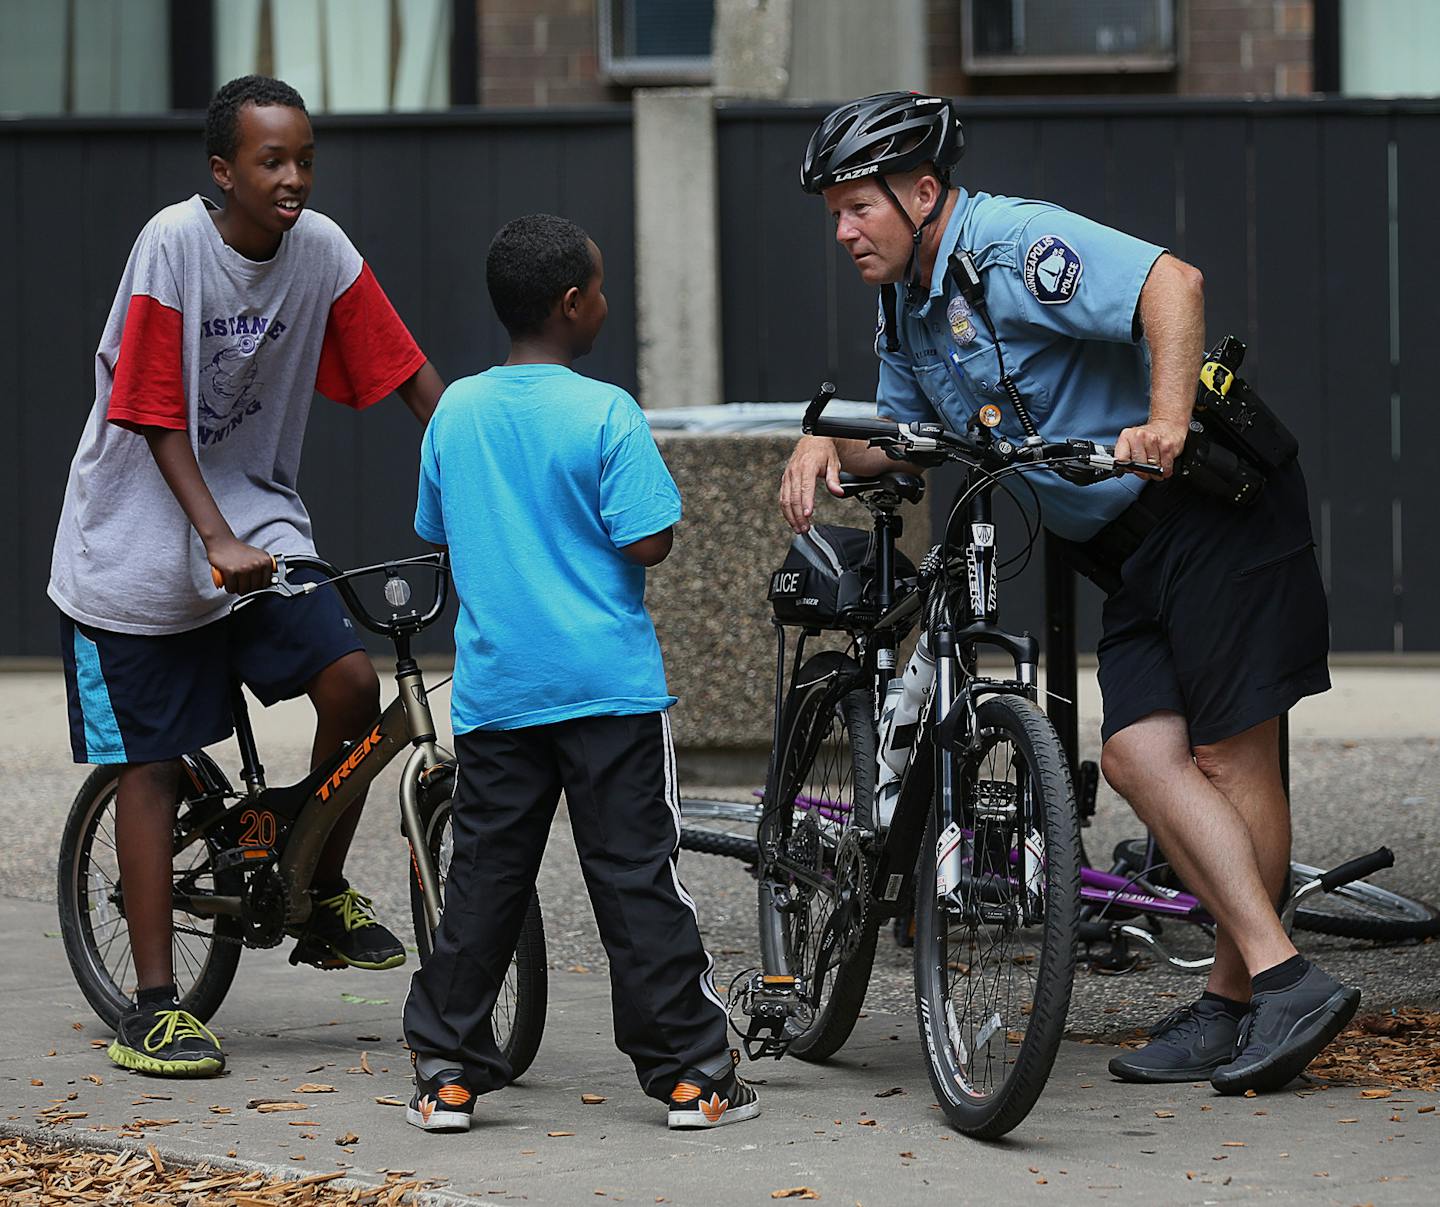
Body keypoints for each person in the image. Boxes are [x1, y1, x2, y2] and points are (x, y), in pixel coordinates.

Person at [779, 92, 1358, 1096]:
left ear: (923, 192)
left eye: (858, 207)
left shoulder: (1012, 247)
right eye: (832, 212)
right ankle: (1267, 987)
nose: (841, 231)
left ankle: (1254, 991)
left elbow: (1172, 285)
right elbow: (901, 433)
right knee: (1139, 755)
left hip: (1216, 507)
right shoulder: (906, 303)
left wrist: (1168, 418)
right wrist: (825, 434)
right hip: (1130, 545)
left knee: (1227, 753)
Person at [49, 75, 446, 1077]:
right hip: (137, 539)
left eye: (305, 158)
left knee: (354, 685)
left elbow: (405, 370)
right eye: (272, 161)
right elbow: (148, 410)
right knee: (154, 759)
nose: (295, 178)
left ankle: (316, 884)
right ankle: (152, 1002)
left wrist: (482, 470)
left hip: (259, 526)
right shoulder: (172, 244)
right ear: (222, 170)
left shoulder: (319, 249)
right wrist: (212, 538)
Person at [400, 213, 756, 1133]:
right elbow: (648, 537)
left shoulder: (457, 413)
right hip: (607, 691)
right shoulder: (606, 411)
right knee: (636, 878)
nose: (605, 302)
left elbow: (436, 529)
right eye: (598, 289)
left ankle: (445, 1071)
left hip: (498, 692)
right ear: (570, 305)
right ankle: (689, 1075)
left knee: (484, 880)